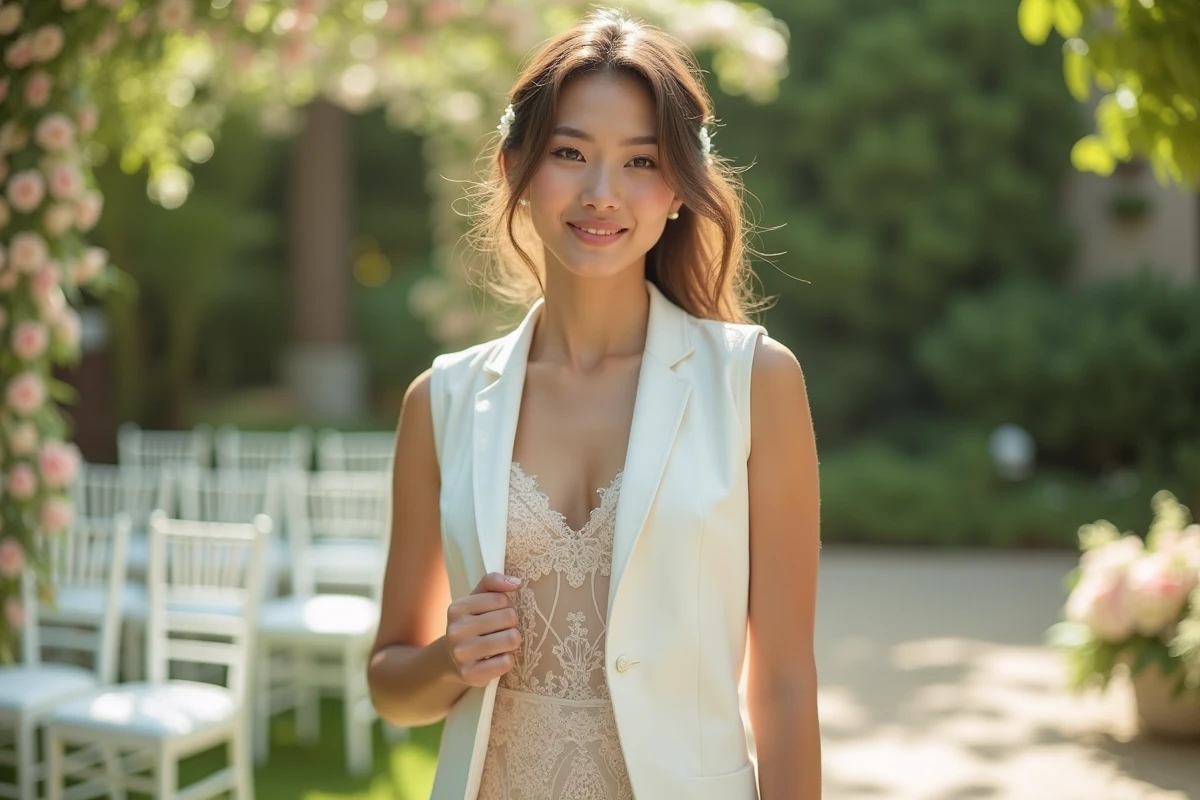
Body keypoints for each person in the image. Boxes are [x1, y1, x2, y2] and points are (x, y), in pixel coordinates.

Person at [367, 8, 821, 799]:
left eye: (641, 161)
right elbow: (391, 684)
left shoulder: (755, 383)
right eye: (570, 153)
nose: (602, 194)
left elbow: (783, 684)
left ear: (678, 189)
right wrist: (448, 660)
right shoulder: (440, 401)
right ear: (515, 167)